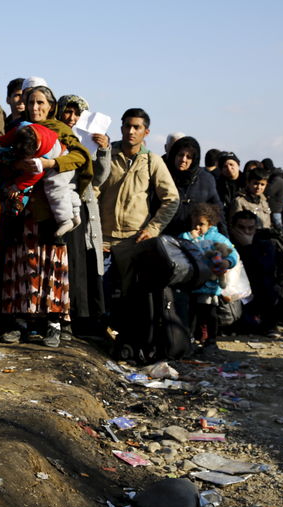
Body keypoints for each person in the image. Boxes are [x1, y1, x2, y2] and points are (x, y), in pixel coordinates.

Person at [0, 86, 93, 347]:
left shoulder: (60, 130)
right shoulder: (18, 129)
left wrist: (50, 164)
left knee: (50, 266)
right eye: (31, 102)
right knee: (22, 264)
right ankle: (19, 321)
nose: (35, 107)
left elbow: (81, 157)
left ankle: (52, 322)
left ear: (51, 106)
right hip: (22, 210)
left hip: (50, 210)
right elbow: (1, 157)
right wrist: (17, 166)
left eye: (41, 102)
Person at [98, 108, 179, 294]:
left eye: (136, 127)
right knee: (101, 294)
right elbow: (93, 192)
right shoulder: (106, 155)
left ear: (146, 132)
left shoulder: (152, 161)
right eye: (127, 126)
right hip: (104, 239)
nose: (131, 131)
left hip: (134, 240)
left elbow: (172, 199)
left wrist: (153, 228)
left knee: (131, 295)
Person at [56, 94, 112, 336]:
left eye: (77, 114)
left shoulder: (89, 140)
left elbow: (99, 177)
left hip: (84, 210)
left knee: (83, 265)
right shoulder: (54, 135)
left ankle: (83, 320)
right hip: (60, 207)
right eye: (67, 112)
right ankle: (61, 317)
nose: (71, 118)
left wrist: (103, 150)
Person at [0, 122, 81, 236]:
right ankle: (75, 213)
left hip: (60, 161)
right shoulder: (21, 129)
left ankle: (65, 220)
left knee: (55, 188)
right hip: (59, 156)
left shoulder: (44, 152)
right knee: (67, 188)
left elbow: (35, 175)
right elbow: (7, 138)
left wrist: (18, 186)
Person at [179, 204, 238, 354]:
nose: (197, 227)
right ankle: (190, 340)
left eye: (201, 224)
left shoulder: (217, 238)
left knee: (209, 313)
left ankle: (211, 340)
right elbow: (180, 248)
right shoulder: (187, 236)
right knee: (191, 313)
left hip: (209, 285)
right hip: (191, 283)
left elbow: (233, 254)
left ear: (210, 223)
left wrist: (226, 262)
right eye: (195, 224)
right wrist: (191, 238)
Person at [229, 210, 283, 337]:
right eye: (241, 228)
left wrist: (248, 247)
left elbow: (264, 269)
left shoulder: (265, 244)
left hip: (257, 289)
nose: (246, 232)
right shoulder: (227, 243)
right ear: (233, 228)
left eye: (250, 228)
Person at [163, 136, 225, 237]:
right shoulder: (162, 175)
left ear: (194, 160)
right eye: (180, 155)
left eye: (189, 157)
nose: (183, 159)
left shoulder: (206, 179)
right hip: (165, 236)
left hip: (195, 238)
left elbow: (218, 211)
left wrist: (226, 243)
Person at [215, 151, 242, 218]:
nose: (229, 168)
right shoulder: (217, 185)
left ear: (238, 165)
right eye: (225, 166)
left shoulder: (248, 183)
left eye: (231, 164)